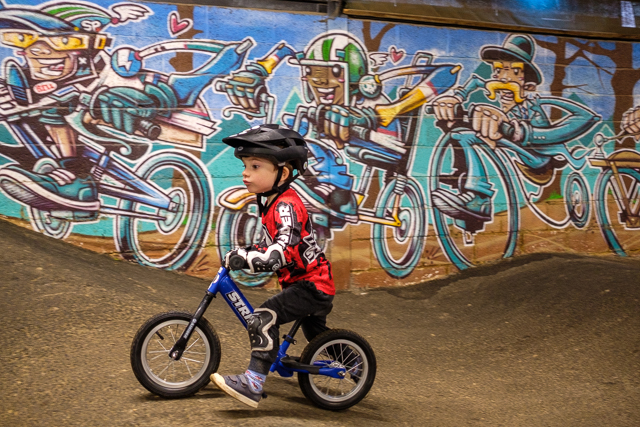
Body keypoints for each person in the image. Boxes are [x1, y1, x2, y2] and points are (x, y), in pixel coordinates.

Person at [211, 124, 335, 408]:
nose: (246, 173)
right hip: (306, 282)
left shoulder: (286, 206)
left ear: (284, 172)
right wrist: (244, 252)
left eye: (255, 166)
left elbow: (280, 252)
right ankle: (353, 363)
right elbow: (272, 244)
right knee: (320, 339)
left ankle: (253, 383)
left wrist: (250, 259)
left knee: (263, 317)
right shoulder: (272, 202)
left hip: (312, 286)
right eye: (245, 165)